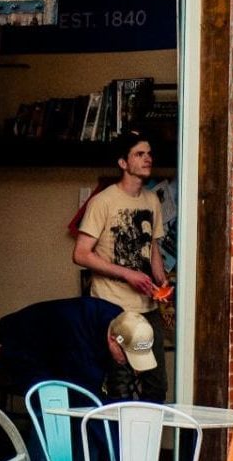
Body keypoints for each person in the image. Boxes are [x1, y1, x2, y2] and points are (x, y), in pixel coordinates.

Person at [0, 296, 163, 461]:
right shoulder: (79, 339)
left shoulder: (121, 321)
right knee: (51, 407)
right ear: (113, 340)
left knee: (88, 412)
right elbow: (94, 407)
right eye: (127, 356)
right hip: (21, 344)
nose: (130, 365)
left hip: (56, 350)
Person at [73, 129, 170, 399]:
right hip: (113, 307)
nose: (147, 158)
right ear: (123, 163)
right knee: (120, 386)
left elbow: (152, 248)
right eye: (139, 154)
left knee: (157, 386)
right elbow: (81, 254)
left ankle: (145, 441)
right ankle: (117, 442)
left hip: (148, 309)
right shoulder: (102, 201)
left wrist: (160, 281)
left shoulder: (152, 200)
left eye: (149, 153)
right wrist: (128, 274)